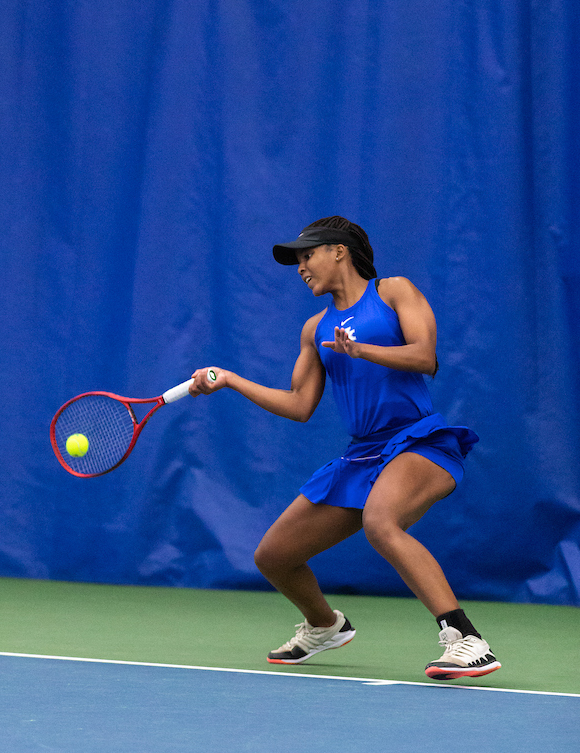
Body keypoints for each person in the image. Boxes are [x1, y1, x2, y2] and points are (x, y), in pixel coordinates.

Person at [189, 216, 500, 681]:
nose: (300, 267)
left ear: (338, 250)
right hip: (364, 455)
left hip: (420, 442)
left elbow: (425, 356)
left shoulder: (393, 291)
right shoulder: (315, 328)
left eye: (307, 255)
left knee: (381, 521)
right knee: (273, 557)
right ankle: (324, 625)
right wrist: (232, 381)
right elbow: (299, 405)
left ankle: (466, 639)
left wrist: (363, 350)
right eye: (296, 260)